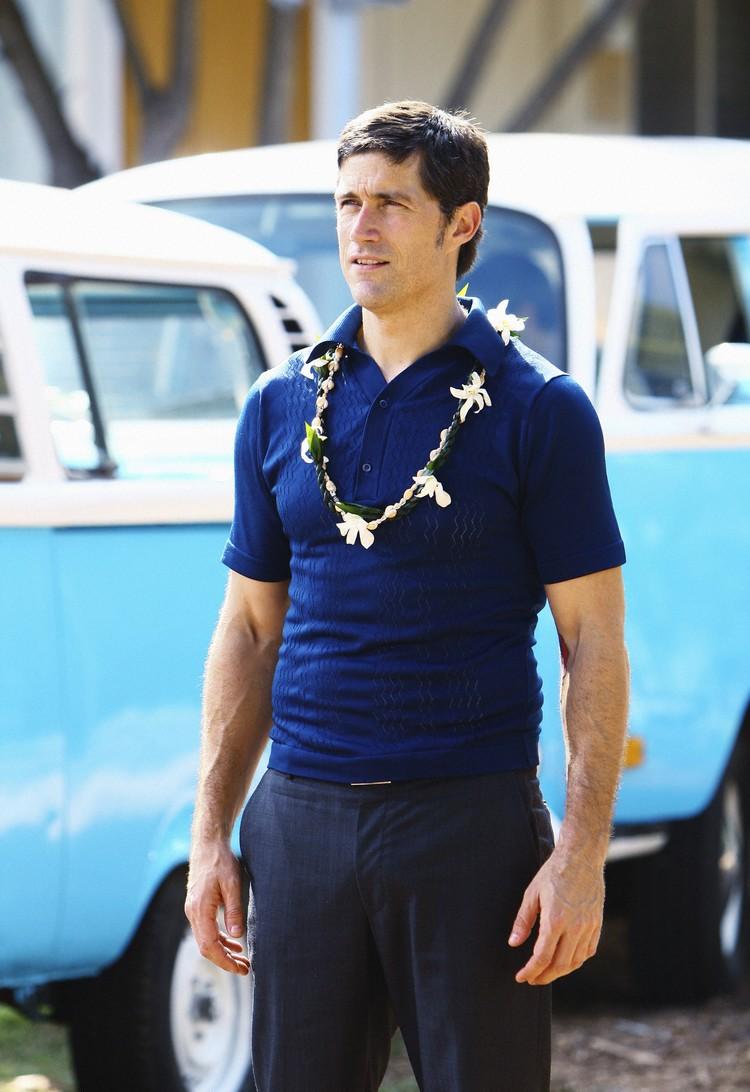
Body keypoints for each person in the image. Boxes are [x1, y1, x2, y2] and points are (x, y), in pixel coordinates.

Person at [185, 100, 629, 1092]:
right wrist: (210, 834)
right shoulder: (279, 404)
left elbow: (593, 641)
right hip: (300, 823)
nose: (362, 227)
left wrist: (581, 857)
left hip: (470, 826)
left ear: (461, 224)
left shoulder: (540, 410)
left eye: (391, 203)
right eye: (348, 202)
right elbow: (249, 631)